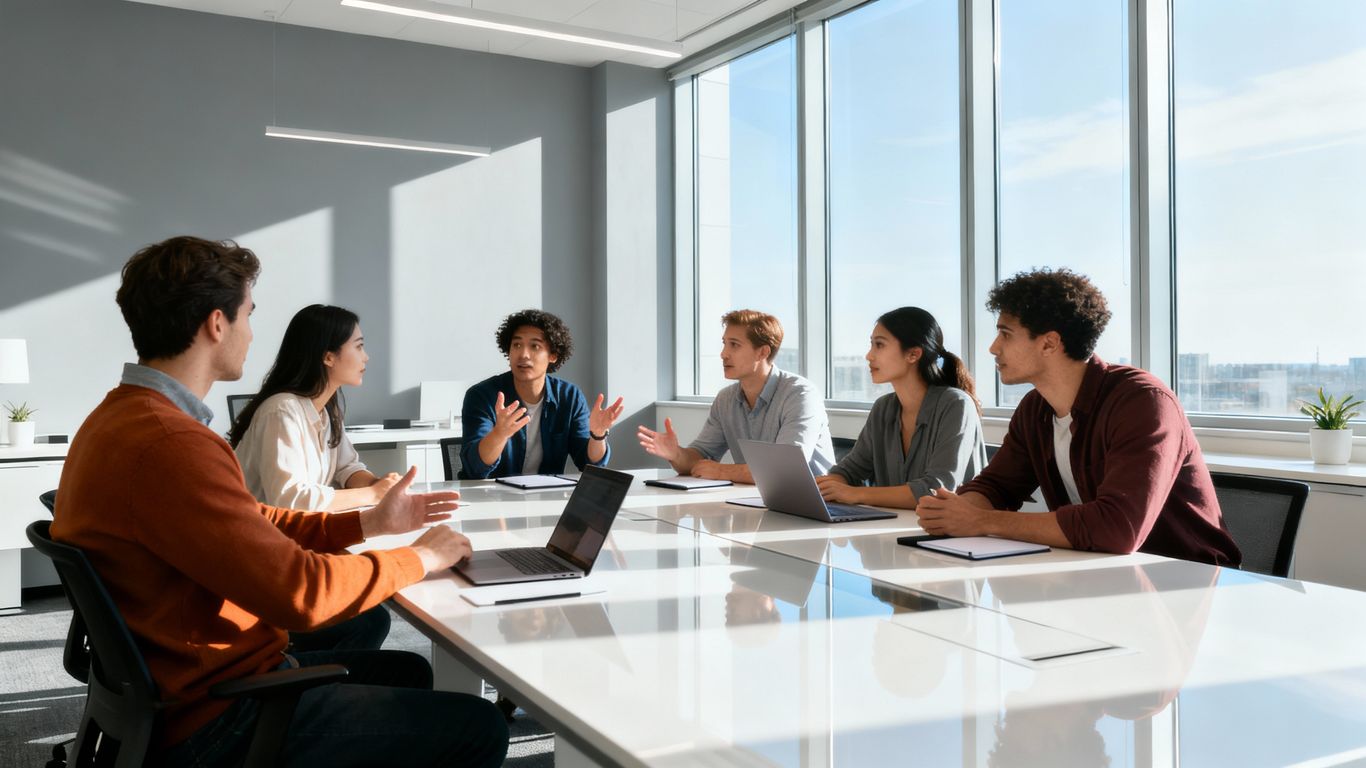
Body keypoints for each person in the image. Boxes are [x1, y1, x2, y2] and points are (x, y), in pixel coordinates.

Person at [51, 236, 507, 767]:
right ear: (216, 324)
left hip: (185, 682)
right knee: (478, 727)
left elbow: (255, 518)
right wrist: (421, 557)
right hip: (218, 712)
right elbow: (302, 594)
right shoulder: (171, 442)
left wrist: (366, 523)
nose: (250, 332)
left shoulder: (118, 419)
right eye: (248, 314)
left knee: (408, 672)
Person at [915, 268, 1241, 566]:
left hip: (1187, 583)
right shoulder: (1034, 409)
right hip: (1103, 575)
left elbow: (1117, 528)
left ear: (1049, 343)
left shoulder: (1142, 402)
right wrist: (952, 510)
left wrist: (981, 521)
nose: (993, 347)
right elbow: (997, 486)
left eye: (1006, 333)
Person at [231, 304, 400, 512]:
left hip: (293, 533)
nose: (366, 357)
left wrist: (380, 485)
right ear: (328, 357)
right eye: (359, 346)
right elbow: (289, 499)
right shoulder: (281, 410)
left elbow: (346, 467)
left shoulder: (328, 409)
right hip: (258, 536)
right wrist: (372, 494)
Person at [815, 307, 986, 509]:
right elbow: (850, 470)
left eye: (879, 345)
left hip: (952, 536)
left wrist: (854, 493)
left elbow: (935, 489)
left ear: (913, 354)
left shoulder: (956, 404)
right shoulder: (883, 407)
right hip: (893, 529)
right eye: (872, 344)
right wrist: (830, 484)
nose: (869, 355)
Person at [638, 309, 835, 482]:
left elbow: (786, 469)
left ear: (762, 352)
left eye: (734, 345)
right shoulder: (725, 399)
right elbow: (700, 457)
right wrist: (677, 454)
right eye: (724, 343)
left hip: (816, 510)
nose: (723, 354)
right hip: (757, 502)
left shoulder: (800, 394)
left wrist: (722, 471)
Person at [460, 308, 624, 479]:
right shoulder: (482, 395)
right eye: (516, 345)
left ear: (553, 355)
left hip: (544, 497)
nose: (523, 354)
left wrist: (597, 435)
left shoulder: (570, 397)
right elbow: (474, 468)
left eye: (535, 346)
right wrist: (499, 434)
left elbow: (589, 464)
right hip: (489, 498)